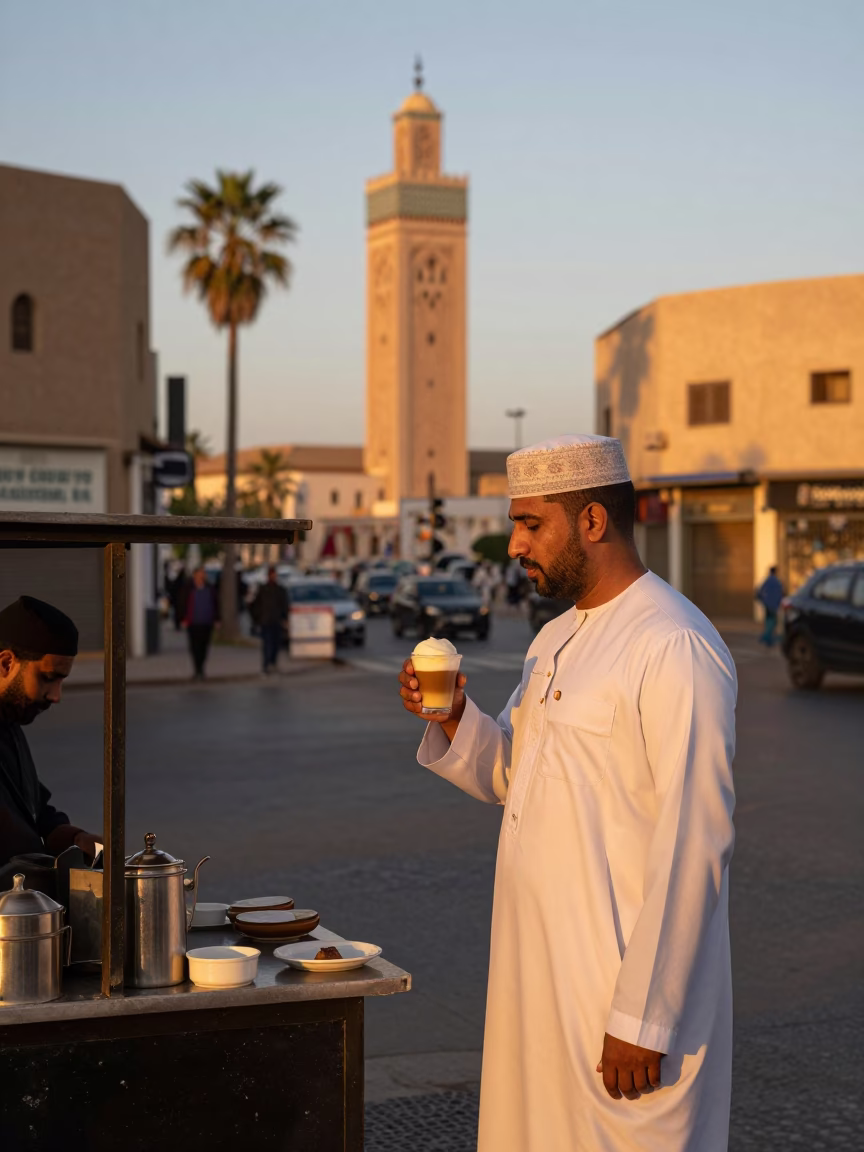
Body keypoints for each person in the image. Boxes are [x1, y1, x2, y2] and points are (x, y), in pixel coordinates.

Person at [398, 434, 737, 1152]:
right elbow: (517, 779)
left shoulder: (672, 644)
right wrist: (455, 717)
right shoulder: (551, 641)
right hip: (538, 989)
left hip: (620, 1000)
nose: (514, 545)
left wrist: (644, 1017)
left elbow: (694, 839)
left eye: (531, 524)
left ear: (591, 520)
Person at [0, 596, 101, 872]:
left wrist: (77, 839)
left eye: (61, 681)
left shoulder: (10, 724)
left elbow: (35, 812)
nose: (56, 696)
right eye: (47, 678)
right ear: (7, 663)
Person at [183, 567, 219, 680]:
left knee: (204, 647)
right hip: (193, 622)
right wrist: (183, 618)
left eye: (203, 574)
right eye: (199, 574)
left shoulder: (210, 588)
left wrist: (217, 619)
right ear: (194, 575)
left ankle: (201, 669)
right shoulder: (189, 588)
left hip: (206, 622)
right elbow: (182, 603)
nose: (201, 576)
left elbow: (216, 604)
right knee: (194, 647)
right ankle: (197, 669)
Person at [252, 566, 289, 674]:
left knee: (276, 644)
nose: (273, 576)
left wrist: (285, 618)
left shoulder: (280, 590)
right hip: (266, 621)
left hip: (276, 621)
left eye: (274, 574)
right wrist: (258, 618)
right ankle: (266, 664)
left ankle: (273, 662)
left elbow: (284, 605)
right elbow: (256, 605)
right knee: (267, 644)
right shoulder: (263, 589)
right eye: (271, 574)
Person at [756, 565, 785, 647]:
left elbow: (760, 591)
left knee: (768, 621)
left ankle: (767, 638)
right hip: (774, 605)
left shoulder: (767, 580)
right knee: (773, 621)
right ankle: (767, 638)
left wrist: (763, 600)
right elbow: (782, 593)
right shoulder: (777, 581)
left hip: (768, 604)